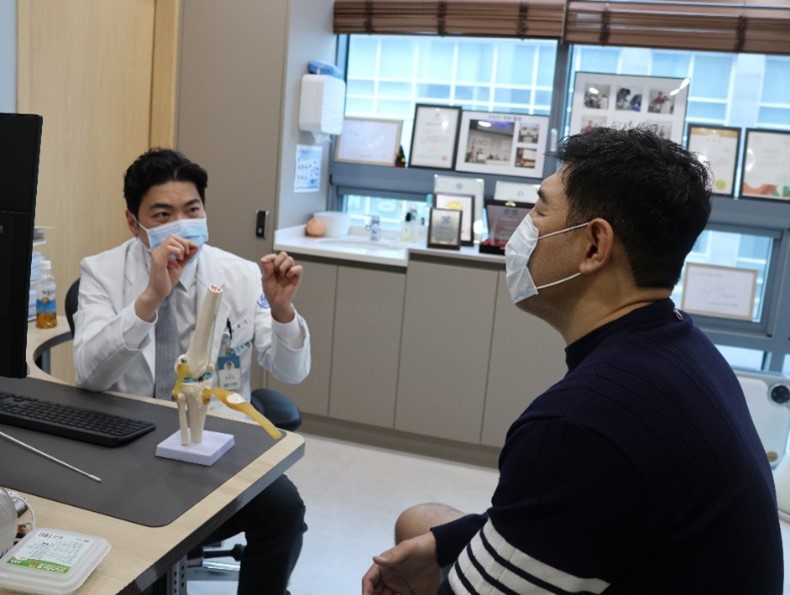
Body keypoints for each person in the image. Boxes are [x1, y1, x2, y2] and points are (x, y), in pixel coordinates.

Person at [362, 126, 783, 594]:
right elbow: (577, 510)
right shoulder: (687, 347)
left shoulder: (580, 424)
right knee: (419, 524)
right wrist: (442, 543)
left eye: (539, 210)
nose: (523, 228)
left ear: (594, 245)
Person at [72, 148, 311, 595]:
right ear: (134, 223)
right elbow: (89, 374)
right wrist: (150, 298)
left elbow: (290, 369)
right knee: (142, 559)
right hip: (131, 447)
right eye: (163, 214)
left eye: (192, 210)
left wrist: (282, 312)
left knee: (284, 511)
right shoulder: (101, 273)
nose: (181, 224)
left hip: (214, 443)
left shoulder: (240, 275)